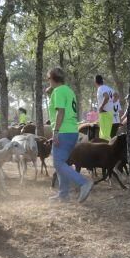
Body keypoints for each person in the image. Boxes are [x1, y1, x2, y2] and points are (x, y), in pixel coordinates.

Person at [47, 67, 93, 203]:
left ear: (53, 78)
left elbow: (60, 112)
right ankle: (63, 195)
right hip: (72, 131)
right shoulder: (68, 90)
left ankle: (83, 182)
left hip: (63, 131)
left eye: (48, 78)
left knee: (58, 163)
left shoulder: (58, 91)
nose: (47, 81)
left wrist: (55, 132)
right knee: (62, 163)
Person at [95, 75, 114, 142]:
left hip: (104, 112)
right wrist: (111, 104)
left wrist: (101, 106)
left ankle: (105, 149)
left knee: (104, 135)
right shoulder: (108, 88)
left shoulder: (101, 88)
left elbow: (106, 97)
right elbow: (116, 95)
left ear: (95, 82)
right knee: (106, 133)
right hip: (109, 112)